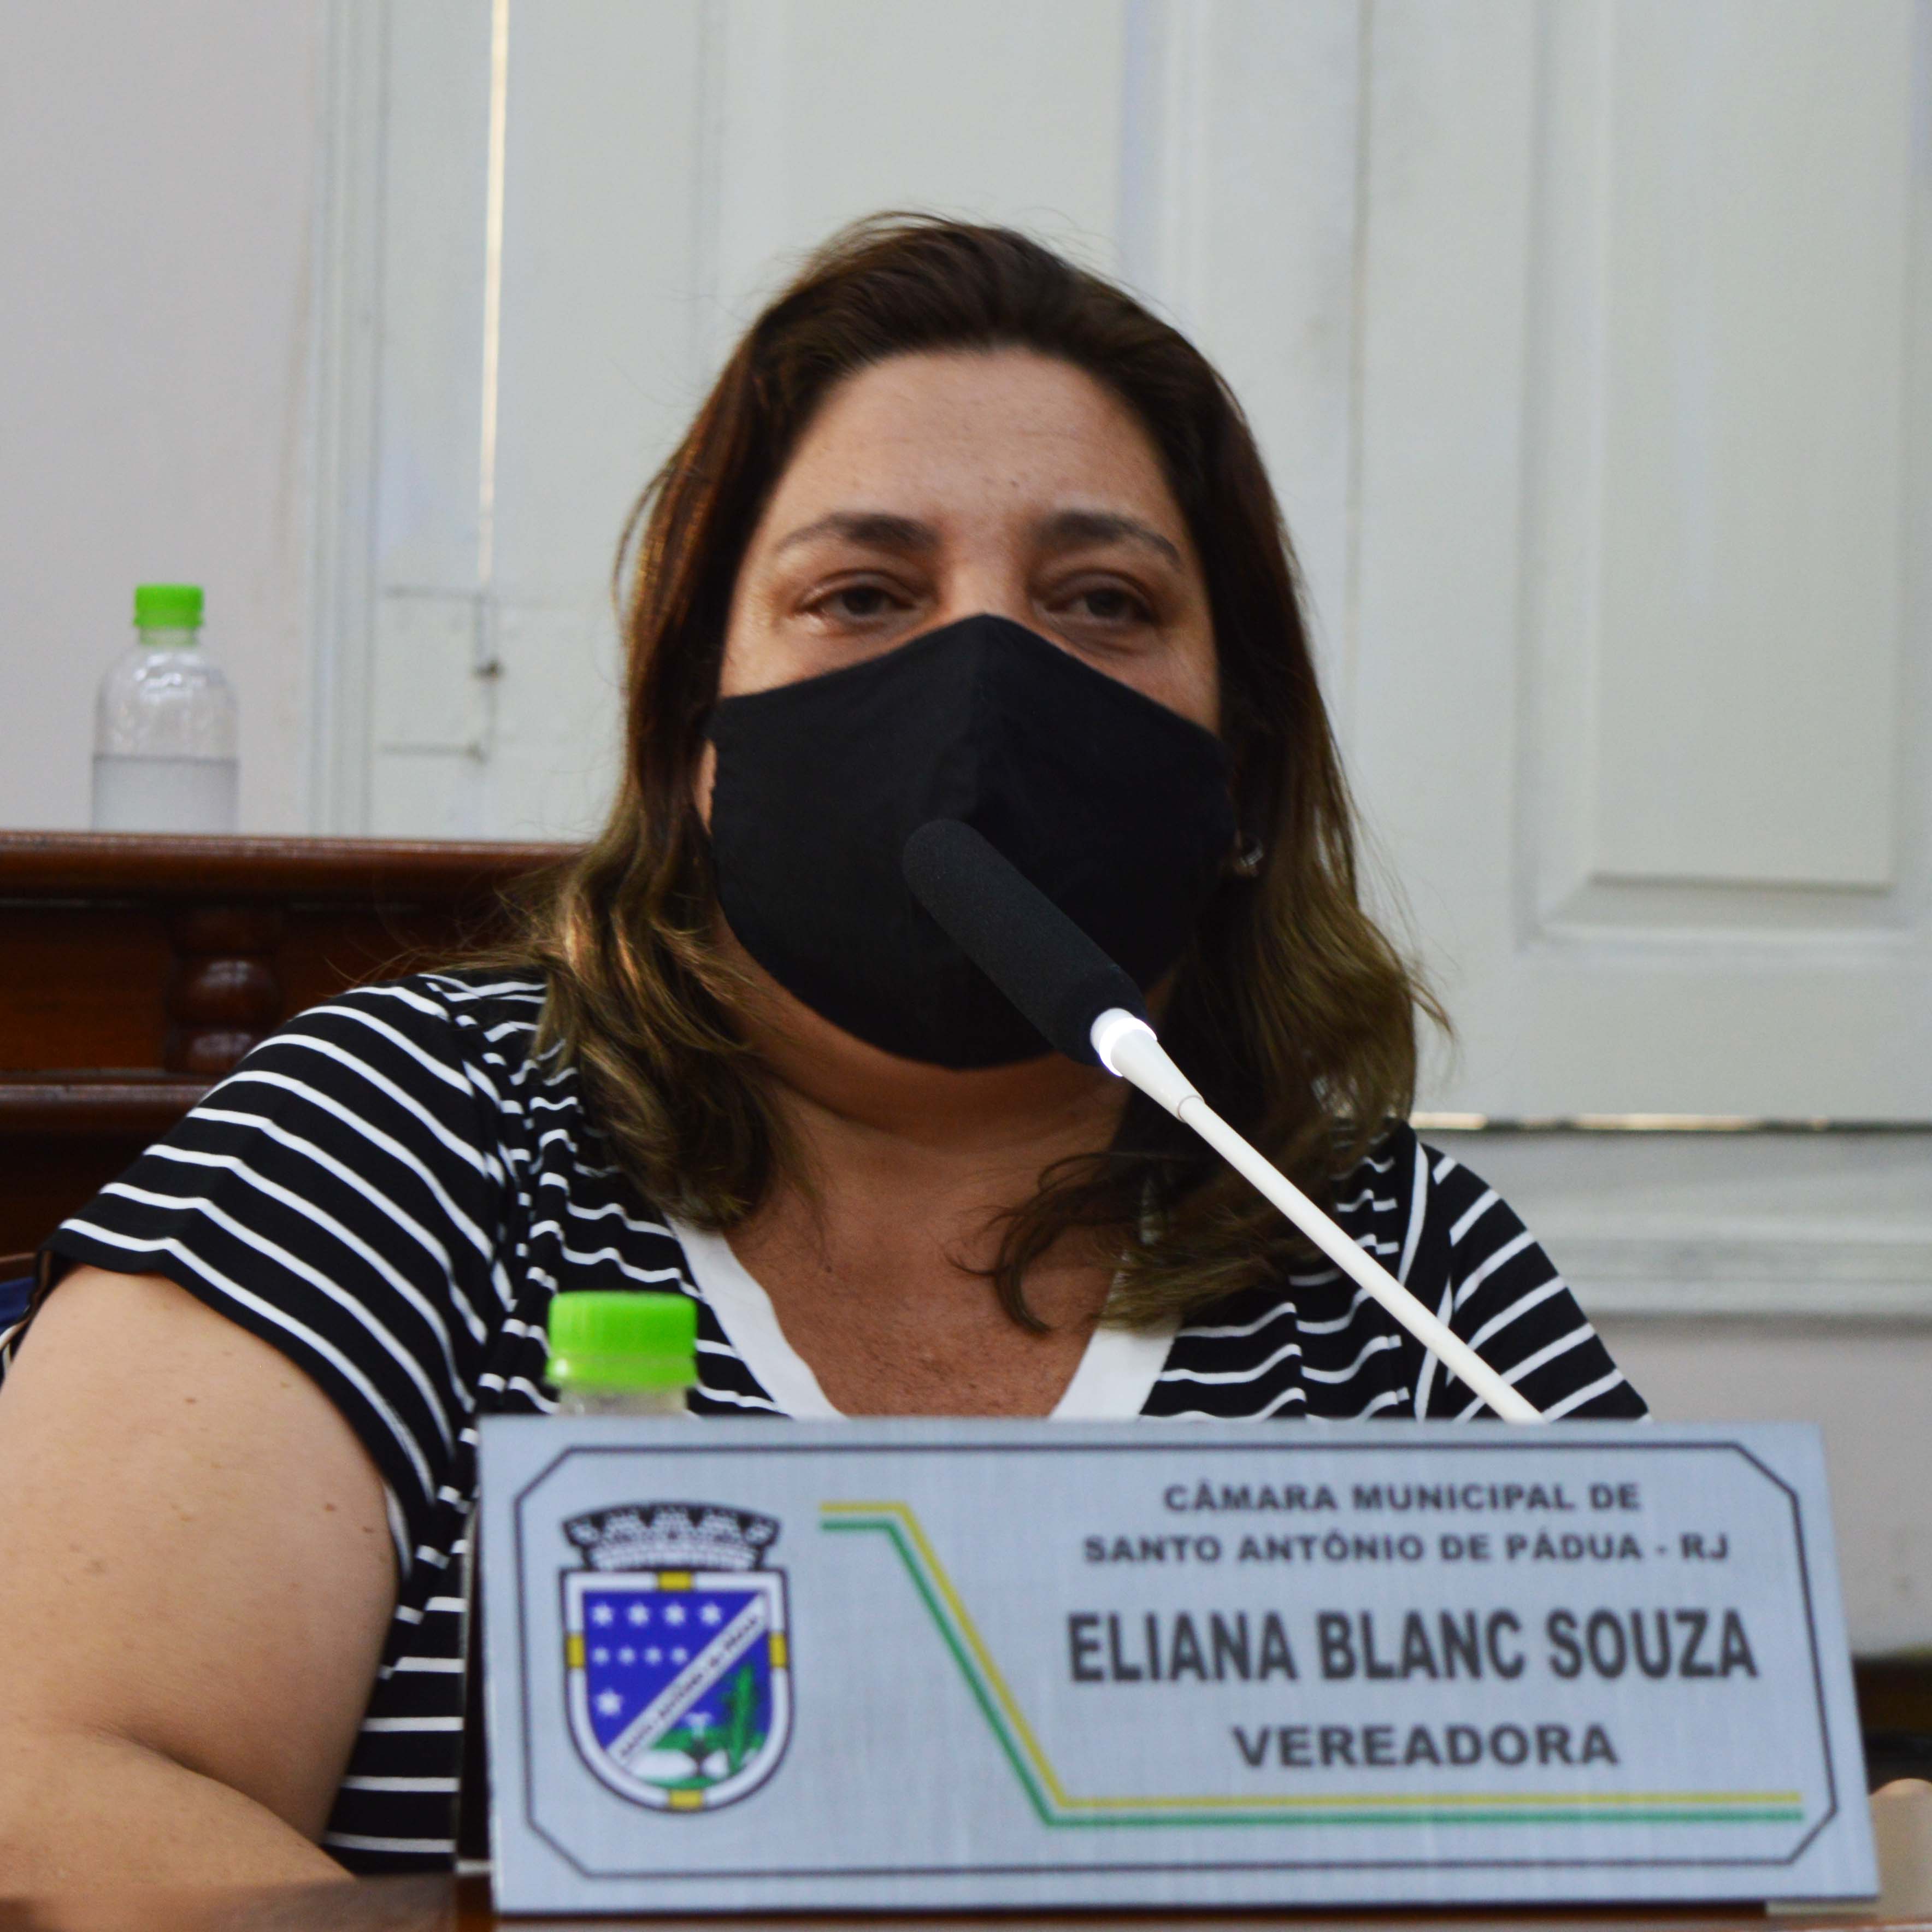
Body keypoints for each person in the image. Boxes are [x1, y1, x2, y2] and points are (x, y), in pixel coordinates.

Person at [0, 217, 1642, 1888]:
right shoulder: (405, 1137)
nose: (984, 684)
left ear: (1242, 766)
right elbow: (51, 1791)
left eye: (1102, 601)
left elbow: (1686, 1815)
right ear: (698, 742)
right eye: (861, 595)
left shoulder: (1391, 1263)